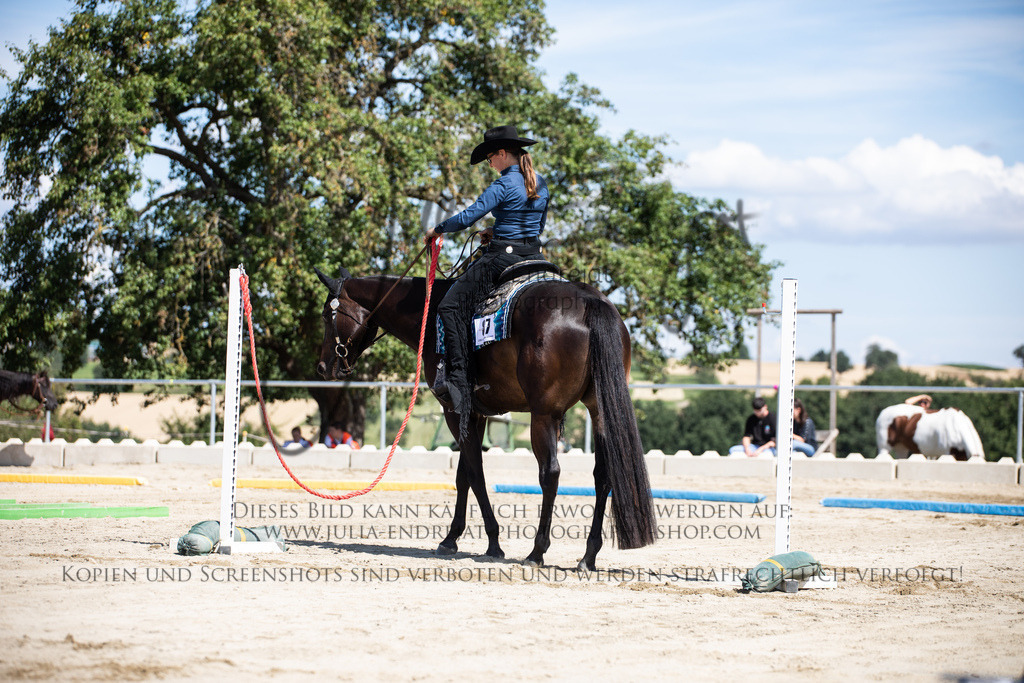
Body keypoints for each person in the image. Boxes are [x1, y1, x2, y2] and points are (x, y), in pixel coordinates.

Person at [424, 125, 550, 439]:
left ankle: (459, 377)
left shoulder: (504, 183)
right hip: (533, 255)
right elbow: (533, 225)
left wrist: (438, 229)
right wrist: (498, 230)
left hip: (502, 258)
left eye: (490, 157)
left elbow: (468, 217)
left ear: (503, 153)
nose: (489, 163)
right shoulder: (540, 183)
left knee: (450, 305)